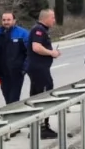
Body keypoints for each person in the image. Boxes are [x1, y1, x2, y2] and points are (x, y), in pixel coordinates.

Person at [25, 8, 61, 139]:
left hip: (39, 68)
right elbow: (36, 47)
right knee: (44, 96)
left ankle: (37, 126)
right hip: (38, 69)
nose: (54, 20)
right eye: (53, 17)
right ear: (45, 18)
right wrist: (52, 53)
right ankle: (42, 127)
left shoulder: (42, 30)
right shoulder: (39, 30)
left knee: (36, 96)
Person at [0, 12, 28, 104]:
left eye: (8, 20)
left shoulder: (22, 34)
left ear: (14, 21)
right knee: (7, 99)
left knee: (13, 99)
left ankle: (14, 117)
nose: (6, 22)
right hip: (3, 74)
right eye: (4, 20)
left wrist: (24, 69)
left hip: (17, 73)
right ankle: (12, 117)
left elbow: (29, 52)